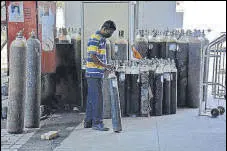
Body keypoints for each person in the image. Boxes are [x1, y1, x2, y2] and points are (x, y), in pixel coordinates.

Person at [84, 20, 116, 131]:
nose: (110, 35)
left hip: (96, 73)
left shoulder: (102, 39)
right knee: (98, 98)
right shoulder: (95, 38)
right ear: (104, 29)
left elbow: (100, 56)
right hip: (93, 73)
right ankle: (97, 123)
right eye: (110, 32)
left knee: (91, 98)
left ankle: (88, 121)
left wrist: (104, 68)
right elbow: (93, 56)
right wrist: (105, 66)